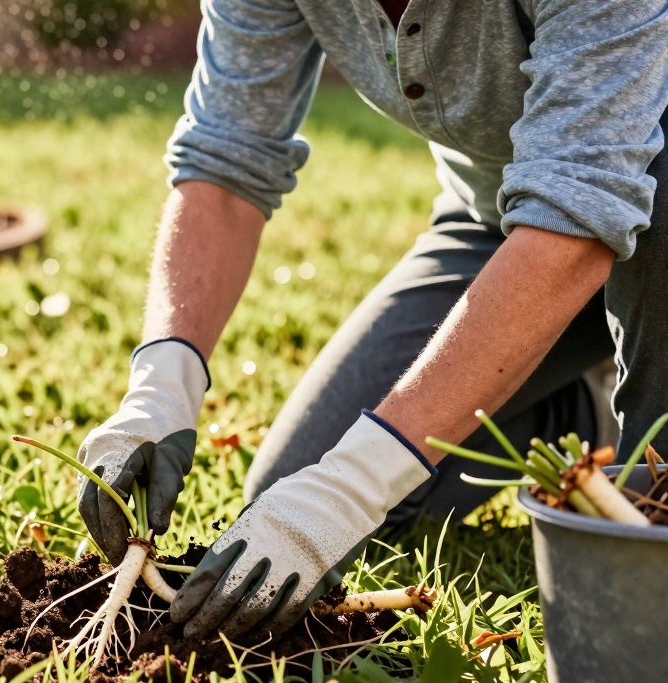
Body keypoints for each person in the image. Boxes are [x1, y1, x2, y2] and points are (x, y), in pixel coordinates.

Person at [76, 0, 668, 640]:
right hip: (500, 225)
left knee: (646, 520)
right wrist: (163, 384)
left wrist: (356, 482)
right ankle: (581, 408)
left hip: (640, 208)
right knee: (300, 484)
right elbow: (225, 159)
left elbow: (581, 205)